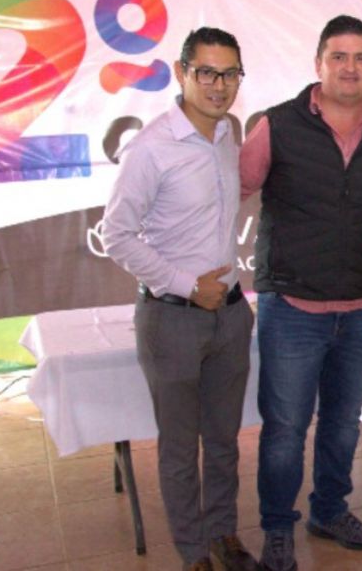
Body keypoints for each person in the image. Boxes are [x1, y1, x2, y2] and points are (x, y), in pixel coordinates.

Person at [239, 15, 362, 571]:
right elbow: (229, 189)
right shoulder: (276, 125)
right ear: (318, 63)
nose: (350, 67)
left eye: (361, 57)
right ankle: (277, 528)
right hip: (292, 307)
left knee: (343, 423)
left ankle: (330, 510)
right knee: (285, 430)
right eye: (338, 56)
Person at [102, 28, 258, 571]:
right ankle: (193, 552)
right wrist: (186, 284)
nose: (219, 85)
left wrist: (225, 293)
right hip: (172, 319)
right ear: (181, 73)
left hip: (231, 316)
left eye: (230, 73)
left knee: (224, 441)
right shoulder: (151, 147)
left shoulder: (227, 137)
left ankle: (223, 533)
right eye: (207, 72)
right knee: (177, 448)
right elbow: (116, 235)